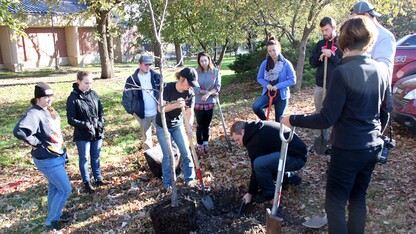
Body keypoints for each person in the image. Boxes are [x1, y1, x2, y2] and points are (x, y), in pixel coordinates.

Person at [281, 16, 390, 233]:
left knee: (335, 203)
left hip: (348, 150)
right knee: (358, 198)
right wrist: (376, 134)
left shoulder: (342, 72)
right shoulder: (381, 70)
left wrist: (292, 119)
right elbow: (386, 113)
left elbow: (326, 118)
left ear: (344, 41)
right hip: (372, 148)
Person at [14, 82, 72, 231]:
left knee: (54, 188)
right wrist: (37, 142)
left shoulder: (48, 110)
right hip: (47, 159)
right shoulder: (34, 113)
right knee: (65, 189)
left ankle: (55, 214)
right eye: (45, 97)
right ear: (38, 98)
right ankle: (51, 221)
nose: (49, 99)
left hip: (56, 155)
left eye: (50, 96)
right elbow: (19, 131)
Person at [230, 120, 307, 204]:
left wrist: (251, 193)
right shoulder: (255, 128)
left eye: (238, 139)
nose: (239, 143)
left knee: (260, 164)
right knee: (265, 165)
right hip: (296, 154)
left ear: (242, 131)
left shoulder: (254, 139)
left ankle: (269, 193)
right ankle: (291, 177)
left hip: (296, 158)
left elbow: (255, 168)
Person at [156, 67, 199, 190]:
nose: (190, 86)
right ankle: (168, 184)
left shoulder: (189, 93)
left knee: (186, 151)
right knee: (168, 155)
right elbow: (160, 108)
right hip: (162, 126)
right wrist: (176, 104)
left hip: (178, 125)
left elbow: (190, 112)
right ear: (182, 79)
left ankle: (190, 179)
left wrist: (189, 127)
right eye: (189, 83)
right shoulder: (167, 88)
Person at [67, 71, 107, 194]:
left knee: (95, 156)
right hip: (82, 133)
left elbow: (101, 111)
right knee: (84, 158)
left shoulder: (94, 94)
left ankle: (98, 177)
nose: (88, 85)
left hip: (96, 131)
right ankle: (86, 182)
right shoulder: (73, 98)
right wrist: (85, 125)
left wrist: (101, 122)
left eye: (90, 83)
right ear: (78, 81)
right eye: (86, 83)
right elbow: (71, 119)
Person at [309, 17, 343, 143]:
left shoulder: (342, 43)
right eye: (322, 30)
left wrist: (332, 56)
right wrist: (320, 54)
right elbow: (312, 63)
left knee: (333, 112)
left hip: (335, 85)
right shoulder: (320, 44)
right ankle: (320, 138)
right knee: (319, 112)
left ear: (334, 28)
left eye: (326, 30)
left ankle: (333, 140)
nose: (324, 33)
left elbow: (343, 64)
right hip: (320, 85)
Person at [252, 35, 296, 122]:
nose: (272, 53)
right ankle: (266, 123)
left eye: (274, 50)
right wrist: (267, 84)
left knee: (279, 121)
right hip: (268, 93)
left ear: (279, 49)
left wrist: (278, 86)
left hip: (281, 96)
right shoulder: (265, 63)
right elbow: (260, 78)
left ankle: (278, 133)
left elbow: (292, 80)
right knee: (256, 106)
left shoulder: (286, 64)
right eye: (270, 51)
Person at [122, 55, 161, 150]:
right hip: (142, 115)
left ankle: (164, 158)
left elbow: (163, 92)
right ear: (139, 64)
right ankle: (151, 160)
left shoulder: (156, 77)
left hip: (157, 113)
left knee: (162, 136)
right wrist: (134, 113)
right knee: (147, 140)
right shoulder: (132, 80)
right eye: (145, 64)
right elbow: (126, 98)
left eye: (149, 64)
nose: (148, 66)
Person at [193, 51, 221, 155]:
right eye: (201, 61)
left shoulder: (215, 71)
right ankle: (199, 144)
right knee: (200, 124)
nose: (204, 63)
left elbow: (217, 86)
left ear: (209, 60)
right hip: (198, 102)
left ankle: (205, 142)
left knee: (207, 124)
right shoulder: (195, 72)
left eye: (205, 60)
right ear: (199, 62)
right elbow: (195, 87)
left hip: (210, 102)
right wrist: (203, 93)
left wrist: (208, 94)